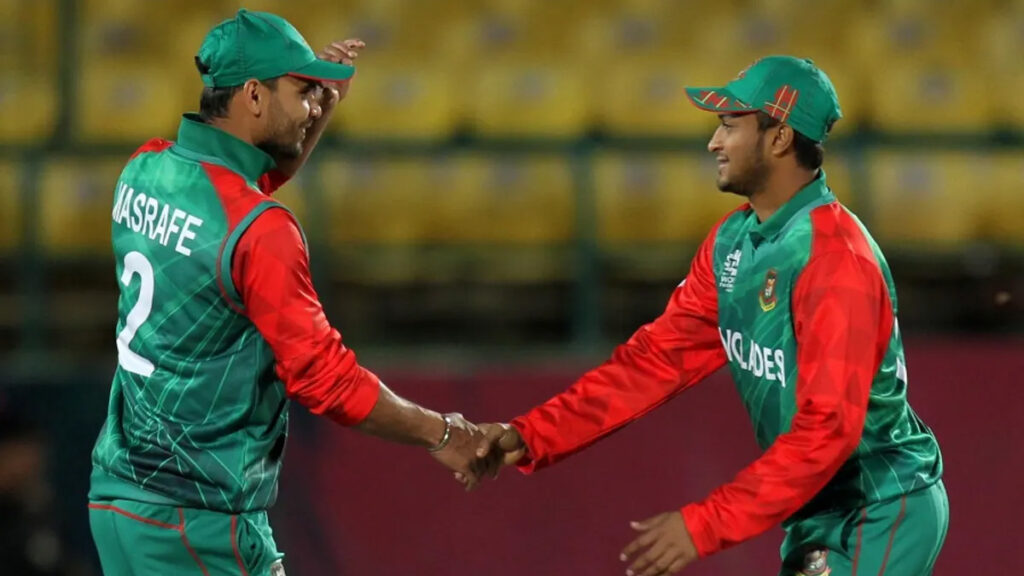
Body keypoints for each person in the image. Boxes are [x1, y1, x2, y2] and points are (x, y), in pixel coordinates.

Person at [475, 56, 947, 576]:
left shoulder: (835, 260)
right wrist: (532, 435)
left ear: (780, 137)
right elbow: (655, 361)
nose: (714, 143)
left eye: (729, 125)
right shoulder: (732, 243)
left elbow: (829, 430)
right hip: (819, 510)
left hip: (878, 506)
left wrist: (704, 524)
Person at [88, 10, 483, 576]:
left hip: (118, 501)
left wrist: (318, 112)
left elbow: (236, 195)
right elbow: (326, 380)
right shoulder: (264, 231)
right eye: (301, 92)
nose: (312, 107)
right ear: (254, 94)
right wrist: (442, 433)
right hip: (200, 519)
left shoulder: (143, 169)